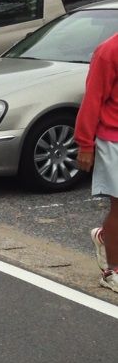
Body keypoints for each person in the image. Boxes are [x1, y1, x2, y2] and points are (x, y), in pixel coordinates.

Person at [74, 30, 118, 293]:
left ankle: (104, 237)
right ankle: (111, 271)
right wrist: (85, 143)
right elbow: (93, 98)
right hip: (114, 138)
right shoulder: (109, 50)